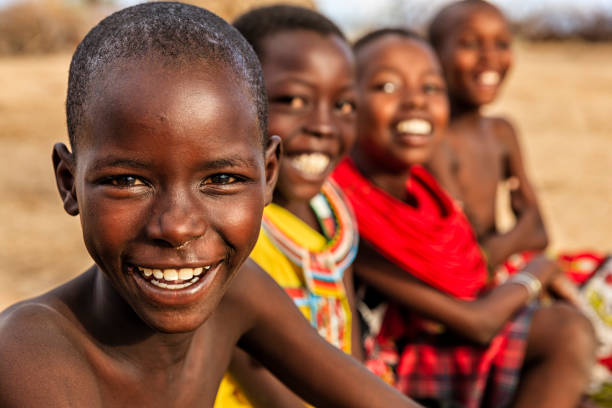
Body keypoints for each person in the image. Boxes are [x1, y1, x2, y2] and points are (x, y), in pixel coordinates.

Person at [0, 4, 421, 407]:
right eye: (127, 181)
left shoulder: (237, 294)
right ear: (68, 183)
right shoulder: (27, 357)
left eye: (222, 180)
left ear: (268, 174)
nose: (177, 227)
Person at [332, 28, 596, 408]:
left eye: (430, 88)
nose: (415, 102)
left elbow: (475, 271)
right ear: (346, 104)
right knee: (566, 332)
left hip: (437, 342)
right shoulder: (348, 211)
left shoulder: (426, 195)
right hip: (387, 369)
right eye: (387, 87)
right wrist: (539, 271)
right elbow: (477, 323)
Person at [214, 6, 361, 407]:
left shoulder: (332, 211)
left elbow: (352, 351)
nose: (324, 125)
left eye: (344, 105)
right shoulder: (226, 235)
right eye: (294, 99)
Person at [426, 0, 548, 273]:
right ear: (432, 55)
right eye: (470, 44)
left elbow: (541, 233)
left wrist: (494, 250)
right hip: (459, 288)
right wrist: (519, 232)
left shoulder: (502, 132)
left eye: (502, 44)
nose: (490, 58)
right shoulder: (432, 140)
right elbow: (466, 252)